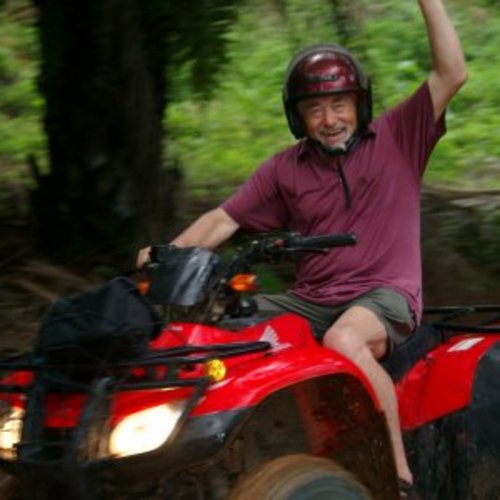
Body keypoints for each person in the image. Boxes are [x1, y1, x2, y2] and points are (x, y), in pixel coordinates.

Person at [137, 0, 467, 497]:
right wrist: (165, 255)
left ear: (360, 105)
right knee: (213, 326)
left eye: (339, 104)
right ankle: (195, 459)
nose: (330, 118)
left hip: (385, 293)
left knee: (344, 341)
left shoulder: (399, 136)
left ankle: (398, 476)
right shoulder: (285, 169)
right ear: (299, 118)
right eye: (315, 109)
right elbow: (223, 219)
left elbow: (453, 72)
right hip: (312, 297)